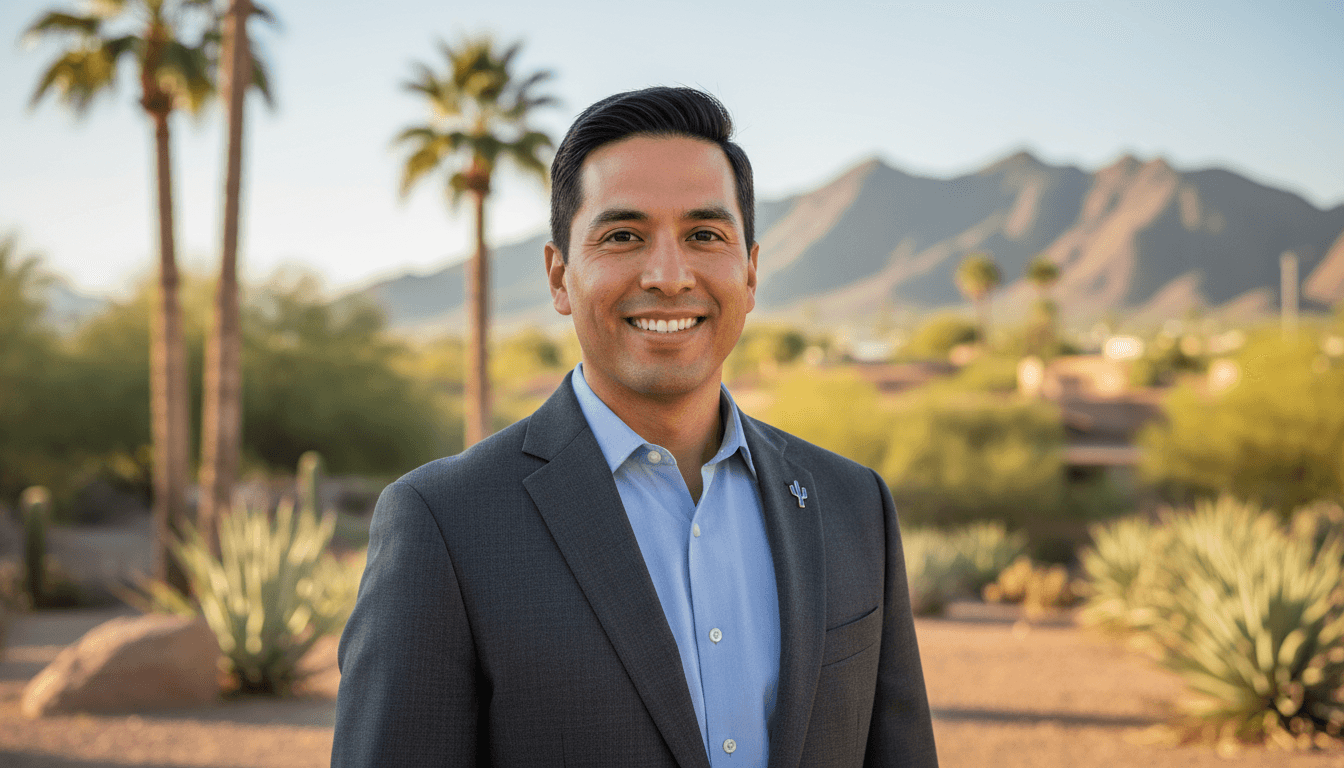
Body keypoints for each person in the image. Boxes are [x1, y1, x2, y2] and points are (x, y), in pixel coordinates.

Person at [332, 86, 938, 768]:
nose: (670, 275)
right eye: (624, 236)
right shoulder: (445, 523)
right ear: (560, 276)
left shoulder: (852, 504)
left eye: (705, 235)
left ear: (752, 271)